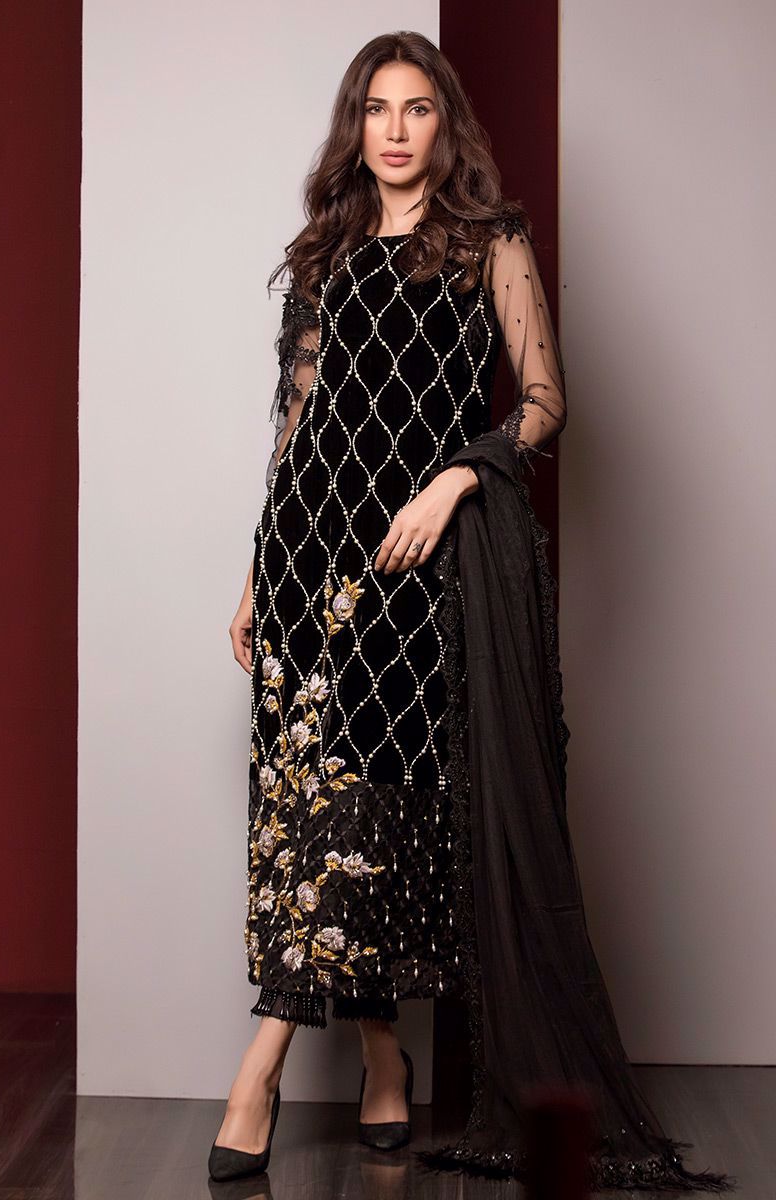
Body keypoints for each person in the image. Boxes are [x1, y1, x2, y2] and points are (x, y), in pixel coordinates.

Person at [211, 29, 734, 1194]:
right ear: (354, 127)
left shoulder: (486, 241)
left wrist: (457, 476)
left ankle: (261, 1073)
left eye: (416, 109)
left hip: (413, 574)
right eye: (375, 110)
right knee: (308, 811)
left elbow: (544, 400)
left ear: (445, 123)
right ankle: (383, 1060)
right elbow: (295, 427)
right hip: (305, 564)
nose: (395, 131)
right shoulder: (325, 251)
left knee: (373, 808)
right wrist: (253, 568)